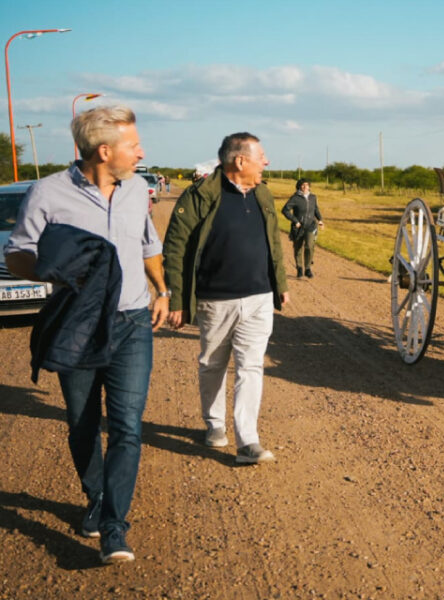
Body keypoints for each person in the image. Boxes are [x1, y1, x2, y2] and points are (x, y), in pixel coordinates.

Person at [3, 105, 170, 564]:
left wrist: (163, 290)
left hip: (133, 321)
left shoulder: (137, 189)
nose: (141, 152)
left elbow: (147, 244)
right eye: (133, 145)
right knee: (81, 423)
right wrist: (59, 262)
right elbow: (19, 254)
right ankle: (95, 496)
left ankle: (115, 525)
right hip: (77, 321)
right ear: (104, 150)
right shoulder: (48, 193)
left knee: (126, 426)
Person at [163, 132, 289, 465]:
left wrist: (280, 283)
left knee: (251, 366)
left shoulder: (263, 194)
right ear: (239, 160)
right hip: (214, 300)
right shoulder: (199, 196)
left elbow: (273, 242)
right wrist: (176, 299)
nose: (267, 161)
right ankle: (215, 425)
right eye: (261, 155)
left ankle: (248, 440)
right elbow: (175, 249)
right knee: (212, 364)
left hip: (259, 297)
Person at [281, 178, 324, 278]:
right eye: (303, 185)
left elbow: (315, 209)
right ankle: (299, 269)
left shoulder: (313, 197)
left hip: (310, 226)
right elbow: (285, 210)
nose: (305, 187)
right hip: (298, 227)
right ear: (299, 186)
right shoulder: (295, 198)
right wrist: (295, 221)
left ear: (309, 186)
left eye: (307, 185)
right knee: (298, 248)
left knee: (309, 246)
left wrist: (320, 220)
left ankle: (308, 269)